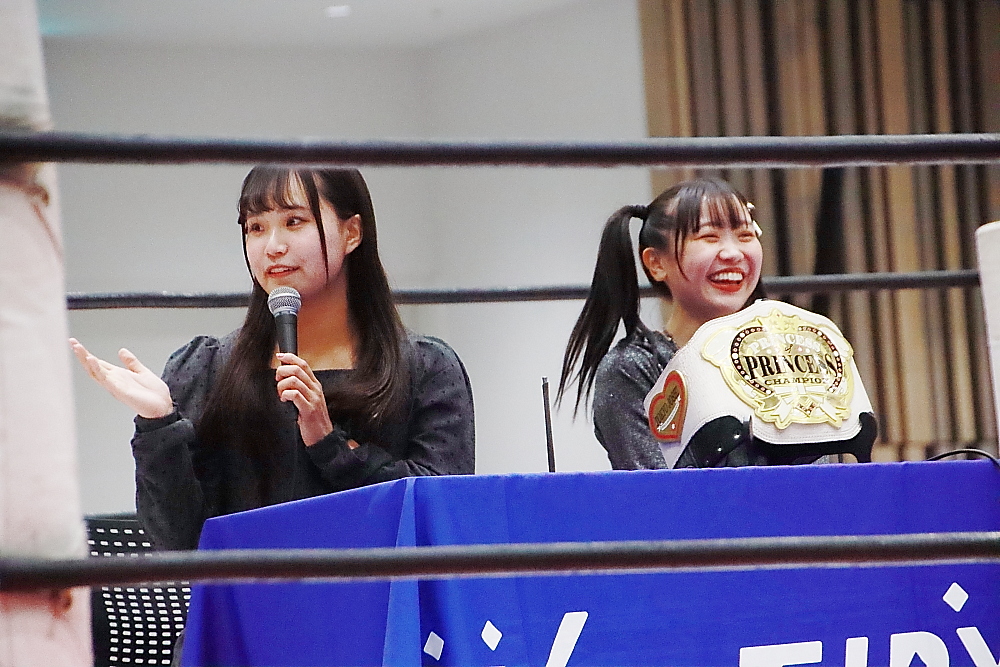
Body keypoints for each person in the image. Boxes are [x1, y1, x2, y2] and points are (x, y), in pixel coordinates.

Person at [71, 166, 475, 550]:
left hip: (380, 599)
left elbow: (442, 518)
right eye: (256, 228)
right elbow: (179, 544)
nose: (273, 247)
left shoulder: (425, 368)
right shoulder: (207, 369)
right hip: (248, 599)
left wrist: (330, 444)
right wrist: (159, 426)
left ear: (351, 232)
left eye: (294, 222)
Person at [557, 177, 765, 470]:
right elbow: (660, 491)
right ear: (656, 263)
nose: (733, 253)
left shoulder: (791, 354)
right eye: (709, 237)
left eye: (745, 235)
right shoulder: (633, 369)